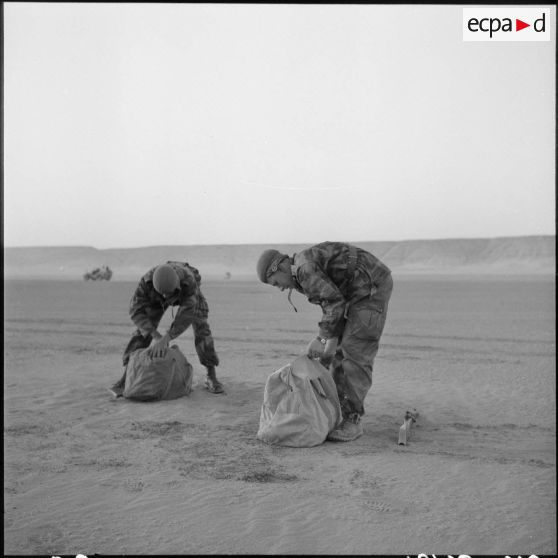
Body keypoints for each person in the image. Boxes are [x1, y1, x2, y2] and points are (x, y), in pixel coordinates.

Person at [256, 242, 393, 442]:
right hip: (354, 290)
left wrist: (321, 338)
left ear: (279, 267)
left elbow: (333, 303)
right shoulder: (300, 271)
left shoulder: (304, 269)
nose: (280, 288)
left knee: (355, 351)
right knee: (337, 353)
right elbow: (332, 303)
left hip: (370, 287)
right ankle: (337, 412)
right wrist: (330, 340)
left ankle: (352, 420)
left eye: (275, 282)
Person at [109, 261, 224, 397]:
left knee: (202, 327)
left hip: (186, 292)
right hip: (155, 295)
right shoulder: (146, 283)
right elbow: (135, 310)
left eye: (168, 295)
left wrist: (167, 338)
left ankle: (211, 375)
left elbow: (186, 315)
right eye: (163, 295)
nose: (166, 298)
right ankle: (127, 375)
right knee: (142, 332)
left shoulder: (189, 282)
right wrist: (156, 335)